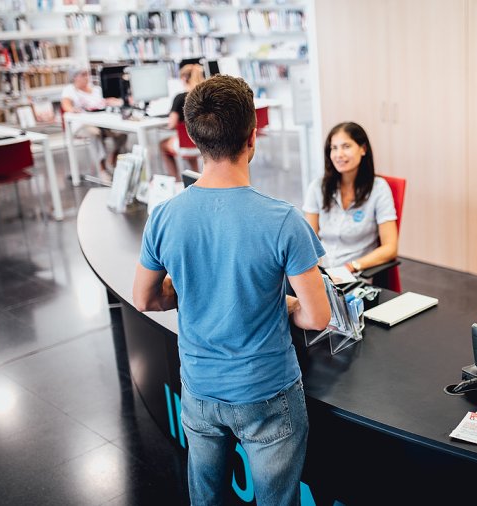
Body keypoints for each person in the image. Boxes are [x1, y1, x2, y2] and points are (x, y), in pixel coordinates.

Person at [132, 75, 330, 505]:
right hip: (267, 393)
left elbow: (145, 297)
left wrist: (186, 288)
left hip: (200, 390)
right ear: (252, 136)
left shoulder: (165, 217)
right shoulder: (283, 220)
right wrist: (284, 303)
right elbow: (318, 317)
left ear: (192, 136)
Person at [303, 121, 398, 275]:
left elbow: (390, 248)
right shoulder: (318, 187)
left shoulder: (378, 189)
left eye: (346, 146)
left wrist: (351, 267)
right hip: (320, 271)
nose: (339, 154)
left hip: (354, 275)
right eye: (334, 148)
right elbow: (308, 239)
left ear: (363, 149)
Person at [61, 67, 128, 181]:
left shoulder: (96, 89)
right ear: (74, 77)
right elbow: (66, 105)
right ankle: (102, 169)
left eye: (87, 74)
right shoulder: (70, 90)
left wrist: (116, 102)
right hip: (82, 125)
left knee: (122, 132)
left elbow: (107, 101)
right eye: (83, 75)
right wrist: (72, 109)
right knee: (94, 133)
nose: (86, 77)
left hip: (103, 122)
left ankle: (113, 158)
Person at [159, 63, 205, 178]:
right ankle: (196, 178)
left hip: (187, 145)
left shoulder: (180, 98)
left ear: (184, 78)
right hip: (204, 143)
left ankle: (176, 179)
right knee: (188, 143)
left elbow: (172, 124)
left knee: (162, 144)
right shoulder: (204, 96)